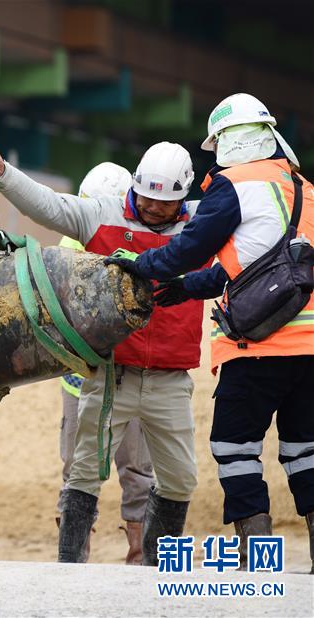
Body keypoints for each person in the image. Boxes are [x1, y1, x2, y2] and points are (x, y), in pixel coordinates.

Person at [105, 93, 314, 571]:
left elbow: (188, 248)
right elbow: (263, 263)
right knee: (306, 451)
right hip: (310, 348)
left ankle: (258, 564)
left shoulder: (233, 184)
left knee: (235, 447)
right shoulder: (302, 187)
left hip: (257, 346)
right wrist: (186, 290)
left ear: (228, 141)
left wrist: (140, 265)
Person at [0, 140, 206, 566]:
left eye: (164, 202)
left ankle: (153, 567)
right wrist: (3, 174)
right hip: (111, 373)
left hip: (170, 378)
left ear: (183, 197)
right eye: (148, 197)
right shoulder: (103, 213)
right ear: (135, 184)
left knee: (180, 480)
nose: (154, 208)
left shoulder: (203, 226)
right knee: (83, 471)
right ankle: (71, 568)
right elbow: (48, 206)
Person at [54, 163, 154, 565]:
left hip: (126, 374)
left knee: (136, 471)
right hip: (83, 381)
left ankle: (139, 555)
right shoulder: (69, 245)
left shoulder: (137, 239)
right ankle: (76, 555)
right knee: (79, 470)